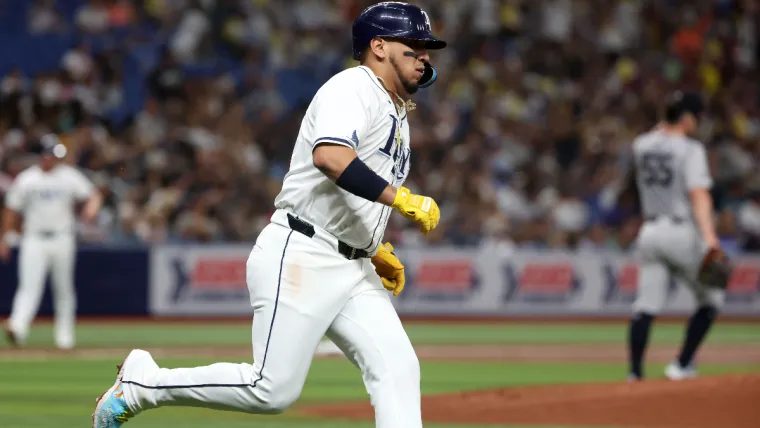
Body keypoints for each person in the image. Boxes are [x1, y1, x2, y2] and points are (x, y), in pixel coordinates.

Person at [92, 2, 445, 427]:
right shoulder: (353, 87)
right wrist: (400, 199)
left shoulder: (396, 111)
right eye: (416, 47)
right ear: (379, 46)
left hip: (351, 266)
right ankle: (142, 384)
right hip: (303, 253)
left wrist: (371, 246)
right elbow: (330, 157)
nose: (425, 57)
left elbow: (347, 188)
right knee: (270, 390)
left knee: (398, 369)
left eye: (428, 49)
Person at [625, 91, 724, 381]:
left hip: (650, 231)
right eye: (695, 116)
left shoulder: (641, 144)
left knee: (645, 305)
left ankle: (634, 373)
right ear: (687, 118)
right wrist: (710, 238)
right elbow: (699, 194)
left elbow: (658, 135)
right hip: (681, 232)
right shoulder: (690, 150)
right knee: (712, 298)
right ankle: (681, 365)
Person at [2, 134, 102, 350]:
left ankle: (64, 337)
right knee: (29, 286)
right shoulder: (28, 179)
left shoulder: (68, 176)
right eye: (51, 155)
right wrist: (4, 238)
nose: (54, 159)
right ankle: (18, 327)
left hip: (62, 237)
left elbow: (93, 194)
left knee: (63, 289)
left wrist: (91, 207)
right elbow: (11, 209)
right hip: (34, 238)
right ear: (42, 155)